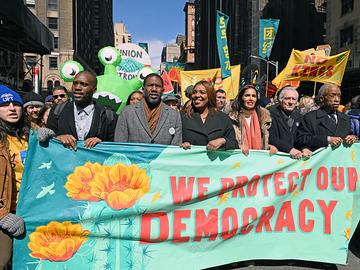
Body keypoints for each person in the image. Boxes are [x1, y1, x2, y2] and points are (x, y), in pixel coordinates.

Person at [47, 71, 117, 150]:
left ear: (94, 90)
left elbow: (114, 145)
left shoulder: (108, 115)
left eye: (84, 84)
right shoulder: (57, 111)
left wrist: (101, 143)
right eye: (75, 83)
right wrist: (58, 138)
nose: (77, 87)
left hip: (95, 161)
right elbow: (48, 139)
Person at [0, 85, 27, 269]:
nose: (12, 108)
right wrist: (2, 215)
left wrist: (50, 141)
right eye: (5, 104)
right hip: (6, 214)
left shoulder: (28, 135)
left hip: (29, 211)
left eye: (16, 104)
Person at [114, 73, 182, 145]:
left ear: (163, 90)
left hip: (162, 156)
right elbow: (119, 145)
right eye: (150, 85)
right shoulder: (127, 112)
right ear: (143, 89)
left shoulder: (174, 115)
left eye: (158, 86)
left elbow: (175, 148)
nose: (154, 89)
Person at [296, 83, 357, 153]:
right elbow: (301, 139)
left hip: (341, 161)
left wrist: (353, 137)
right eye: (332, 96)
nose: (337, 99)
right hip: (321, 162)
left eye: (339, 96)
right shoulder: (310, 117)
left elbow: (349, 134)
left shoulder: (345, 118)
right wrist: (327, 140)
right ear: (322, 98)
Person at [181, 80, 237, 150]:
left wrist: (223, 141)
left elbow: (234, 143)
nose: (197, 95)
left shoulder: (223, 118)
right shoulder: (182, 116)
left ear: (210, 96)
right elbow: (174, 141)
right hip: (189, 160)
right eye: (194, 92)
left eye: (202, 92)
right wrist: (180, 145)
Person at [228, 84, 277, 156]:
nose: (251, 99)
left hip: (257, 161)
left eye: (254, 96)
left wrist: (269, 147)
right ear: (241, 97)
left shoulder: (264, 117)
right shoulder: (232, 117)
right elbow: (227, 140)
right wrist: (237, 146)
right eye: (247, 95)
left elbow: (264, 140)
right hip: (238, 159)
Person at [269, 87, 306, 159]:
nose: (291, 102)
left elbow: (301, 136)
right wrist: (289, 149)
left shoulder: (300, 117)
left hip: (295, 159)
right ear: (280, 100)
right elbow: (270, 136)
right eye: (287, 98)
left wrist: (305, 148)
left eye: (293, 99)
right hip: (276, 157)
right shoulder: (270, 114)